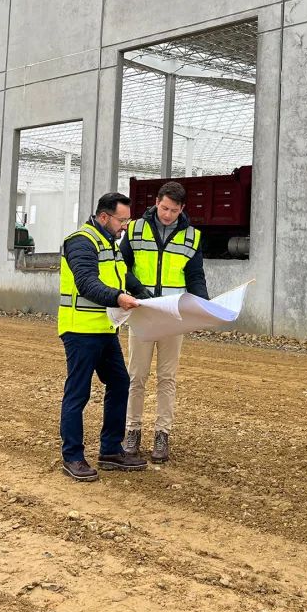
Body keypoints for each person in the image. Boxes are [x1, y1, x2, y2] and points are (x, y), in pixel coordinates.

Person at [57, 192, 150, 482]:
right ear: (104, 217)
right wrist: (118, 297)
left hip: (105, 330)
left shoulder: (109, 243)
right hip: (80, 331)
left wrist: (149, 296)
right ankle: (72, 456)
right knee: (78, 392)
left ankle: (110, 449)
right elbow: (87, 283)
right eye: (121, 220)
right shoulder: (80, 242)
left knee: (120, 382)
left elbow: (124, 276)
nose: (125, 226)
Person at [119, 181, 209, 463]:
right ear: (156, 202)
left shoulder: (192, 237)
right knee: (137, 376)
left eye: (173, 210)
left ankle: (162, 434)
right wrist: (136, 290)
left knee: (167, 378)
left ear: (182, 209)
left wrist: (202, 306)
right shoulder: (134, 229)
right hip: (142, 311)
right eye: (163, 207)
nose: (167, 214)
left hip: (172, 315)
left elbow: (195, 276)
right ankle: (132, 431)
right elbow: (121, 266)